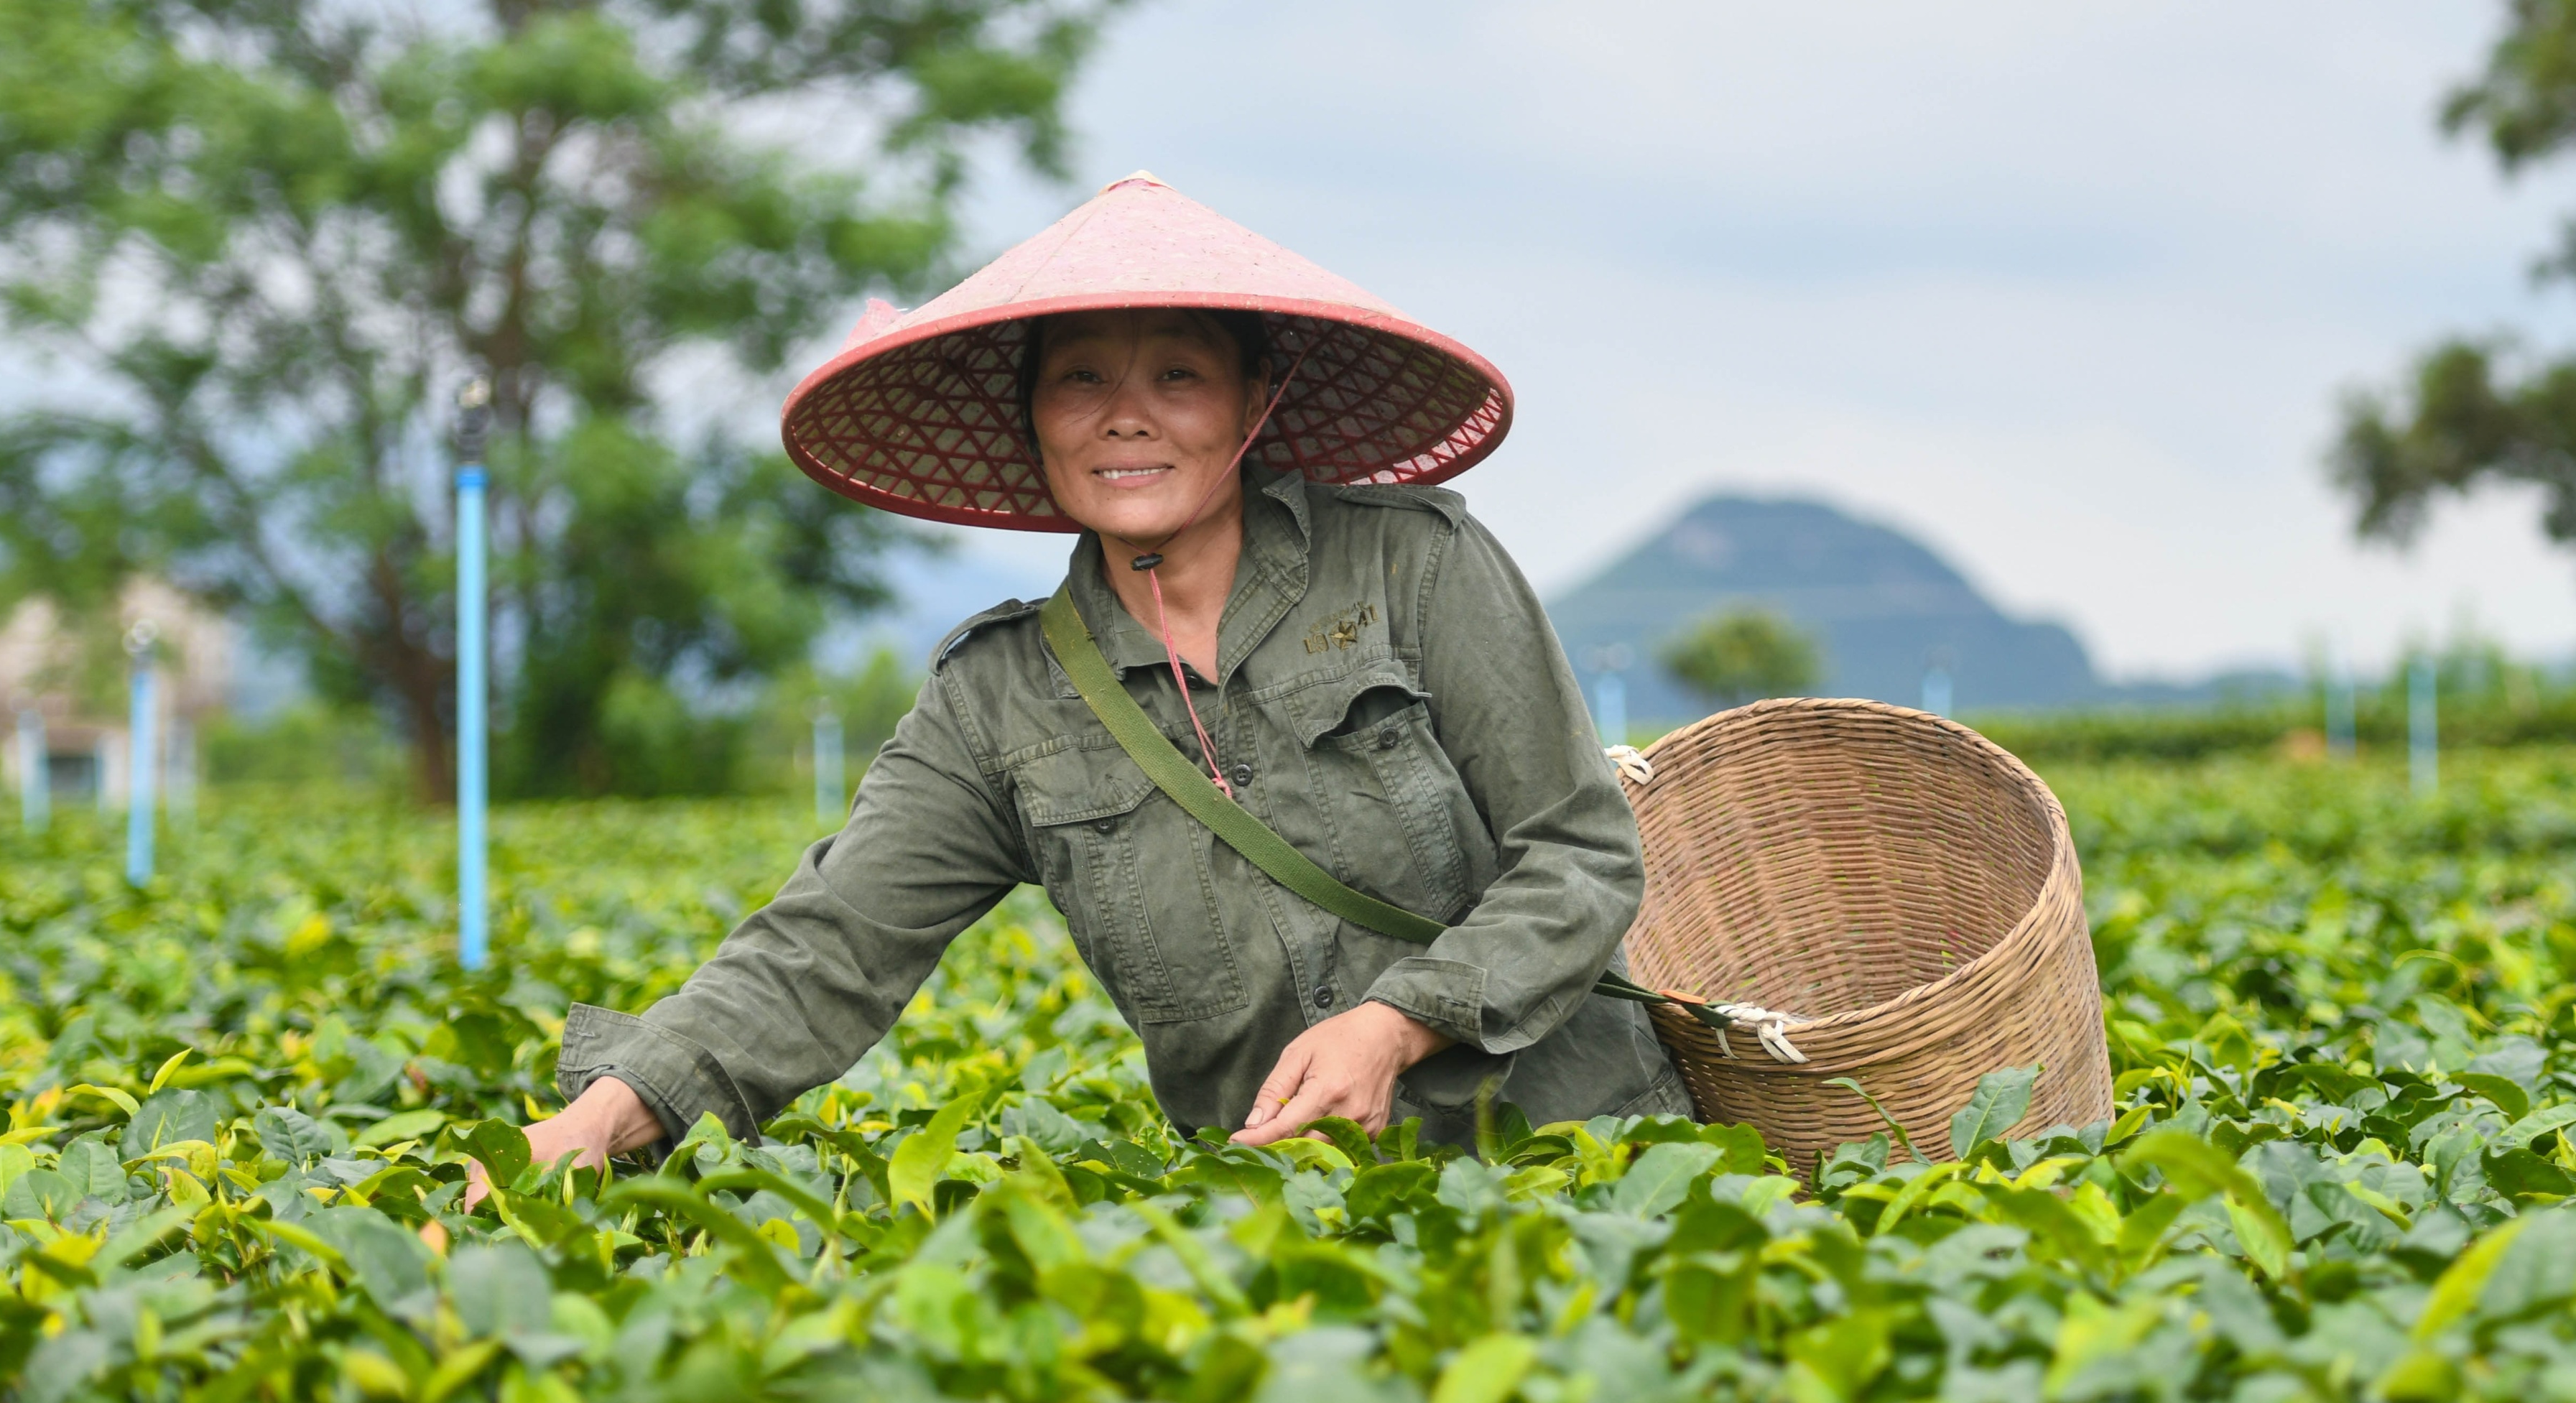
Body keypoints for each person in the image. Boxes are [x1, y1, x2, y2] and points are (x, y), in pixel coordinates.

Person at [502, 173, 1688, 1182]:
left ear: (1251, 403)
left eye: (1177, 376)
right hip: (1287, 1215)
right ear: (1032, 419)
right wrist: (604, 1120)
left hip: (1579, 1170)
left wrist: (1399, 1021)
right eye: (1080, 381)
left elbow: (1579, 856)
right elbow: (831, 945)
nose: (1127, 420)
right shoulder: (998, 698)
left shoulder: (1413, 568)